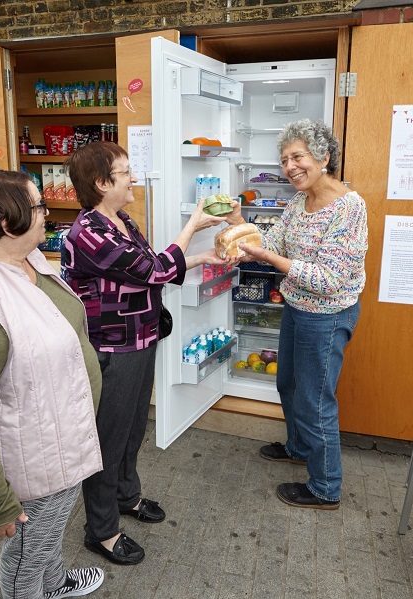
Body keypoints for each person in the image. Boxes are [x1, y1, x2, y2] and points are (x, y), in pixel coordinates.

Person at [62, 141, 234, 565]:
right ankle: (100, 531)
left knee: (134, 425)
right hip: (113, 347)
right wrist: (194, 223)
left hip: (141, 339)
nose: (133, 177)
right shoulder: (87, 233)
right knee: (109, 437)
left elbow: (153, 267)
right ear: (102, 183)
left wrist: (202, 257)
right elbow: (153, 272)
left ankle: (126, 495)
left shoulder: (120, 220)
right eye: (125, 171)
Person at [0, 169, 105, 599]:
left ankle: (55, 584)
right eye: (38, 206)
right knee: (26, 555)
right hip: (36, 459)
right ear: (10, 223)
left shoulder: (25, 259)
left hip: (62, 441)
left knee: (48, 536)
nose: (47, 213)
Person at [237, 118, 368, 510]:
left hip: (326, 316)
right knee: (287, 385)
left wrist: (269, 257)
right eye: (284, 160)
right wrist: (238, 227)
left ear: (324, 157)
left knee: (314, 400)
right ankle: (299, 447)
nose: (290, 167)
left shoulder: (349, 208)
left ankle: (326, 487)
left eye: (298, 157)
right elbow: (274, 238)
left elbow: (327, 279)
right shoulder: (299, 201)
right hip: (297, 307)